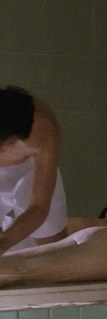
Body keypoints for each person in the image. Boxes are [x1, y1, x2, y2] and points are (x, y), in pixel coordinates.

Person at [0, 86, 68, 253]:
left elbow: (39, 207)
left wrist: (4, 243)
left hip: (30, 170)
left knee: (53, 245)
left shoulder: (44, 126)